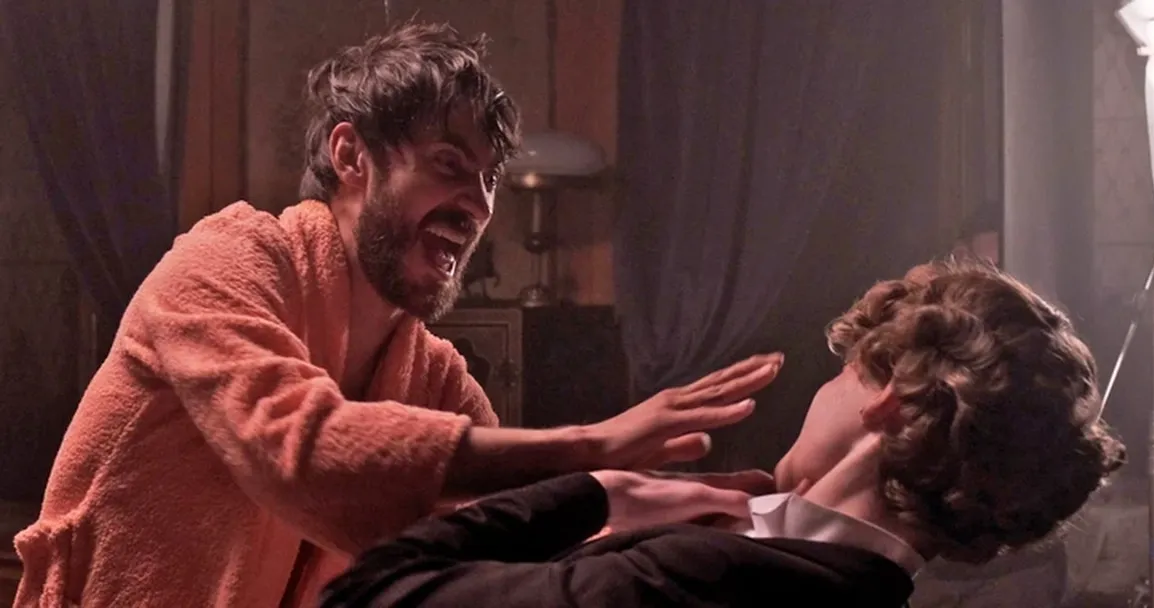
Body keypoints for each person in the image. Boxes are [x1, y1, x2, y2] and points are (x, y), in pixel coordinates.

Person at [12, 22, 782, 608]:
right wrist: (594, 447)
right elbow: (301, 453)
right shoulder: (226, 262)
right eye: (449, 165)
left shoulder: (431, 376)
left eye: (489, 180)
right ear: (352, 157)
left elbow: (505, 533)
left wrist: (673, 520)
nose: (478, 206)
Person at [320, 260, 1126, 608]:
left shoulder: (705, 579)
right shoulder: (844, 589)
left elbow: (367, 594)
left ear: (888, 406)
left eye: (844, 372)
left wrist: (601, 489)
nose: (823, 390)